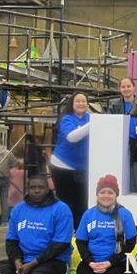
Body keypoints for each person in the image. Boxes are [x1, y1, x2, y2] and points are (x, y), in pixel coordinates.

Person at [75, 175, 137, 274]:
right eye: (102, 192)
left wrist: (110, 262)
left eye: (110, 192)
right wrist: (90, 262)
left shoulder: (124, 214)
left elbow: (130, 244)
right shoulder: (89, 214)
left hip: (117, 263)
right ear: (97, 194)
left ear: (116, 195)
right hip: (91, 262)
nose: (106, 196)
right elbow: (80, 241)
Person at [51, 91, 91, 229]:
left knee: (82, 202)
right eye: (78, 101)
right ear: (72, 104)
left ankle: (78, 232)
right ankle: (64, 231)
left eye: (84, 101)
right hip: (63, 166)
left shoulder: (88, 118)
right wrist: (93, 124)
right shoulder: (66, 119)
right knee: (66, 202)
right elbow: (72, 137)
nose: (81, 104)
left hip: (81, 168)